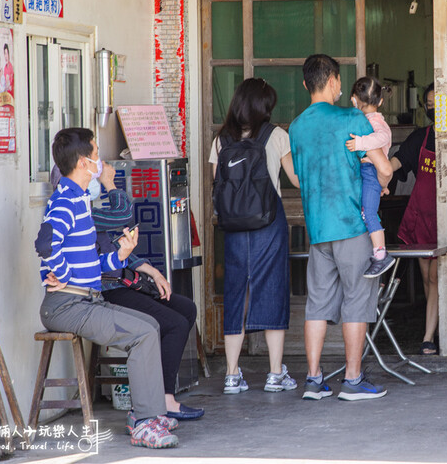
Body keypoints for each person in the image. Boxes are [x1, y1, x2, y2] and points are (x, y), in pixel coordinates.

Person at [36, 128, 178, 449]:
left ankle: (145, 415)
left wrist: (121, 255)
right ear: (85, 163)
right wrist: (57, 273)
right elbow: (46, 242)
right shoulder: (65, 202)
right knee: (142, 335)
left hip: (88, 301)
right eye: (97, 154)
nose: (101, 160)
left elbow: (95, 266)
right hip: (67, 306)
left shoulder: (81, 201)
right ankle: (144, 423)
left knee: (150, 327)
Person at [40, 161, 204, 424]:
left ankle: (156, 399)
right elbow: (123, 215)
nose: (95, 172)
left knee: (185, 308)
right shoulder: (73, 210)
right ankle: (158, 402)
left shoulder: (82, 210)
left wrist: (150, 269)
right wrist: (109, 183)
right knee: (170, 324)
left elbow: (113, 247)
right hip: (104, 292)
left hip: (119, 282)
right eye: (91, 168)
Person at [289, 54, 393, 401]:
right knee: (357, 302)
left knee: (317, 305)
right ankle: (352, 379)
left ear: (306, 85)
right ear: (334, 81)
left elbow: (300, 176)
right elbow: (382, 166)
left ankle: (314, 380)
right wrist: (380, 184)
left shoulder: (297, 127)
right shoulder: (351, 117)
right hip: (351, 224)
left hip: (317, 228)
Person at [209, 78, 301, 395]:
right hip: (268, 223)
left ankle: (232, 375)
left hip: (233, 227)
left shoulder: (221, 139)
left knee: (236, 293)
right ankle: (275, 374)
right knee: (272, 290)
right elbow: (296, 180)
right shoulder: (276, 135)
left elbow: (217, 185)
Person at [390, 83, 438, 355]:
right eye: (428, 103)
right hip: (421, 215)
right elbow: (397, 164)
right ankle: (434, 327)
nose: (432, 107)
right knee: (427, 279)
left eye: (436, 102)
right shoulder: (420, 137)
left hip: (444, 217)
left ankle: (429, 335)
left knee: (437, 277)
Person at [345, 77, 396, 278]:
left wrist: (361, 143)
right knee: (367, 210)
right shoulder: (365, 120)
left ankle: (380, 255)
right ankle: (377, 252)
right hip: (369, 173)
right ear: (381, 101)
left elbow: (384, 137)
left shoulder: (376, 121)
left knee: (369, 212)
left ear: (354, 100)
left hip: (371, 172)